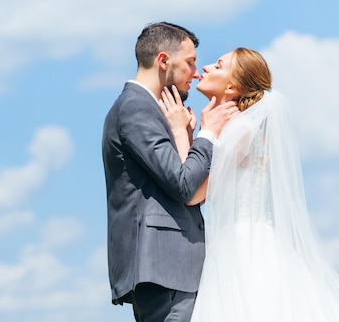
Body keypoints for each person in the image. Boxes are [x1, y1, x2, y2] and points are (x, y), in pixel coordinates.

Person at [161, 47, 339, 321]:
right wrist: (194, 132)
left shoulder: (241, 131)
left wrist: (179, 131)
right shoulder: (235, 129)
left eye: (218, 65)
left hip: (245, 248)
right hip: (241, 242)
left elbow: (193, 194)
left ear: (232, 87)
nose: (206, 67)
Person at [101, 22, 239, 322]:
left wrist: (186, 136)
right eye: (189, 63)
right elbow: (183, 184)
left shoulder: (151, 109)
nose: (196, 71)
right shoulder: (135, 108)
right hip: (166, 268)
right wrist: (208, 135)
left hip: (174, 270)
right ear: (164, 61)